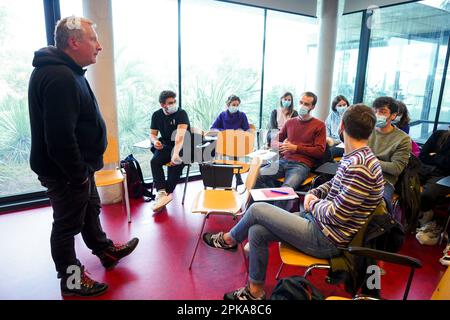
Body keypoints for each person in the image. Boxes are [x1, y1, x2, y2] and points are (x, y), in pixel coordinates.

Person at [202, 104, 384, 300]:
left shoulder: (360, 166)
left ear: (341, 126)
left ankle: (229, 239)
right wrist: (315, 192)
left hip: (326, 238)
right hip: (318, 223)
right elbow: (333, 184)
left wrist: (312, 203)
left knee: (256, 210)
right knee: (256, 232)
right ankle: (255, 292)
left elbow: (337, 214)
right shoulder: (356, 157)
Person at [28, 16, 139, 297]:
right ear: (74, 41)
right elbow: (60, 138)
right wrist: (78, 175)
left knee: (90, 209)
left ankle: (104, 250)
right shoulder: (59, 76)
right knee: (67, 225)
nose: (99, 46)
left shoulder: (69, 71)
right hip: (66, 171)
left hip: (78, 168)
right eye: (93, 39)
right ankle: (71, 279)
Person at [255, 92, 326, 191]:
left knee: (286, 189)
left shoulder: (319, 125)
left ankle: (275, 203)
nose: (302, 106)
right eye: (301, 102)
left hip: (301, 165)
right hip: (283, 161)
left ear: (313, 107)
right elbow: (273, 142)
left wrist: (296, 148)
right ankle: (268, 203)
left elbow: (319, 151)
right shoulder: (290, 122)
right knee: (256, 176)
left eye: (306, 104)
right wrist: (280, 145)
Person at [368, 96, 411, 213]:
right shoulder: (366, 130)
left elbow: (396, 168)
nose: (377, 115)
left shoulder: (403, 139)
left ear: (393, 115)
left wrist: (369, 160)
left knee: (377, 208)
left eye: (382, 112)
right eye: (375, 111)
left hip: (383, 181)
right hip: (358, 174)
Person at [150, 90, 191, 212]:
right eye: (170, 102)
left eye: (174, 101)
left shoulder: (181, 113)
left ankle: (163, 195)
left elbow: (180, 136)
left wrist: (176, 154)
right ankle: (162, 193)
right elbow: (152, 134)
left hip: (183, 146)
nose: (174, 104)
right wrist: (155, 141)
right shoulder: (156, 115)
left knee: (175, 167)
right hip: (166, 145)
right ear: (162, 105)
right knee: (154, 162)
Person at [417, 128, 450, 227]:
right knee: (403, 185)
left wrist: (434, 156)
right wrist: (442, 159)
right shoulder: (439, 134)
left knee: (427, 194)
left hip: (444, 175)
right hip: (424, 169)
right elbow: (422, 155)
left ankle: (426, 211)